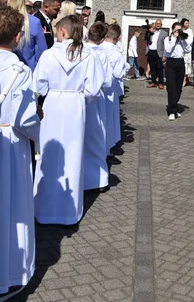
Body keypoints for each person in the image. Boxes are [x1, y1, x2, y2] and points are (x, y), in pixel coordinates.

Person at [0, 6, 41, 302]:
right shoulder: (21, 70)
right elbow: (26, 118)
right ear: (18, 38)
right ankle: (7, 275)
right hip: (11, 143)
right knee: (12, 207)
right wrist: (38, 138)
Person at [33, 15, 102, 225]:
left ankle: (44, 210)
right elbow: (93, 89)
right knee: (72, 156)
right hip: (75, 107)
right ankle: (68, 211)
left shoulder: (48, 55)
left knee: (48, 153)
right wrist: (80, 98)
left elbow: (38, 86)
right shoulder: (88, 57)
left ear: (62, 32)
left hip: (52, 104)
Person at [84, 21, 111, 192]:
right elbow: (107, 81)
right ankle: (99, 179)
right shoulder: (101, 54)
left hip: (78, 98)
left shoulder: (77, 50)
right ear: (102, 39)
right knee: (95, 137)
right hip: (95, 98)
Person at [6, 0, 47, 71]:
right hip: (28, 75)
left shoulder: (0, 20)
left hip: (4, 74)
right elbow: (42, 54)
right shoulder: (34, 22)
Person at [100, 24, 130, 152]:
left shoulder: (98, 48)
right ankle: (107, 147)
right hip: (110, 88)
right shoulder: (116, 54)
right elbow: (118, 74)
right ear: (119, 38)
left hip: (98, 87)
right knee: (109, 118)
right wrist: (126, 68)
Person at [164, 22, 191, 120]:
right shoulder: (168, 39)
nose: (179, 32)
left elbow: (188, 50)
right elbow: (168, 49)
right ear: (173, 30)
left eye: (180, 30)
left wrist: (183, 39)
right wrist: (175, 38)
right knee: (171, 87)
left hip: (180, 63)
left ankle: (174, 107)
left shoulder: (182, 40)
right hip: (171, 63)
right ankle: (172, 111)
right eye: (177, 30)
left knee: (178, 88)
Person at [147, 19, 167, 89]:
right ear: (155, 24)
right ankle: (153, 82)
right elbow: (145, 39)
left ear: (161, 25)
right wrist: (148, 32)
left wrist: (164, 55)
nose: (158, 25)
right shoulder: (151, 32)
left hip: (159, 52)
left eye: (159, 24)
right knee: (152, 68)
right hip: (151, 51)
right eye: (157, 23)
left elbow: (166, 45)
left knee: (160, 68)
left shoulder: (164, 33)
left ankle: (160, 83)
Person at [180, 18, 194, 86]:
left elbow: (190, 40)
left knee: (186, 64)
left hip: (187, 49)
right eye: (186, 23)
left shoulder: (189, 31)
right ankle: (186, 79)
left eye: (188, 23)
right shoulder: (180, 30)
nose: (187, 25)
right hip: (180, 50)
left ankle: (184, 79)